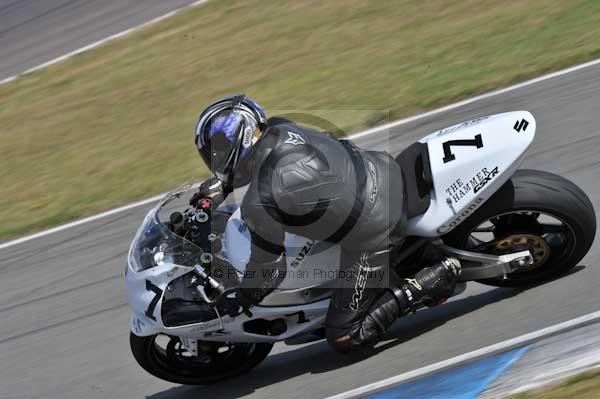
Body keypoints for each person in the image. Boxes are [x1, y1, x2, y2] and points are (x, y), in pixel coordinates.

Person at [193, 94, 461, 353]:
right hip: (380, 169)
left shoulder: (259, 202)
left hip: (377, 227)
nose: (215, 159)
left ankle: (431, 279)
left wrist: (240, 300)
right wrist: (220, 189)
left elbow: (270, 272)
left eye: (217, 152)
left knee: (345, 335)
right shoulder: (279, 126)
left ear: (238, 141)